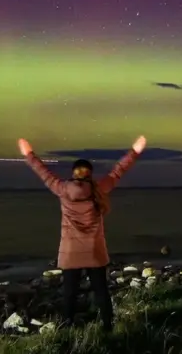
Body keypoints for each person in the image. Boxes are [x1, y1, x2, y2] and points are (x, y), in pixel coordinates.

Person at [17, 136, 147, 332]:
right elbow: (119, 171)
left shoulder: (62, 189)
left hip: (70, 252)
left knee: (69, 292)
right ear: (90, 174)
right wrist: (135, 151)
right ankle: (107, 326)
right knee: (101, 290)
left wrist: (29, 154)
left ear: (74, 173)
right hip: (94, 251)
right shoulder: (99, 189)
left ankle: (67, 326)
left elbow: (43, 172)